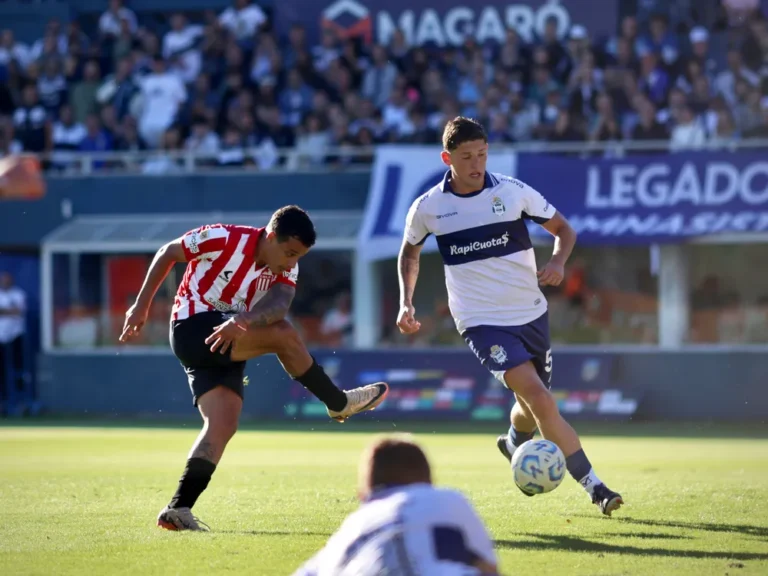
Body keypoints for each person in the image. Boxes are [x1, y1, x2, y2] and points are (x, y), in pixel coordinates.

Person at [396, 117, 623, 516]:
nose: (476, 164)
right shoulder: (428, 207)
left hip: (531, 314)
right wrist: (406, 302)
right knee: (540, 398)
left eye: (482, 154)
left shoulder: (512, 192)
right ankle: (596, 487)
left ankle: (514, 441)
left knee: (531, 402)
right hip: (481, 322)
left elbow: (564, 230)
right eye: (467, 156)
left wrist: (558, 262)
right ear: (448, 159)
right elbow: (409, 253)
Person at [119, 205, 389, 531]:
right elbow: (168, 253)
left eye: (298, 257)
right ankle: (338, 402)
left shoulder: (285, 267)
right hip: (192, 328)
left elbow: (280, 304)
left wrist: (243, 320)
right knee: (284, 336)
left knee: (223, 424)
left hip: (229, 334)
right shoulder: (223, 237)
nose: (291, 263)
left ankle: (178, 509)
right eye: (289, 253)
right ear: (271, 237)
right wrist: (141, 305)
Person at [292, 435, 499, 576]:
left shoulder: (356, 523)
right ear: (429, 481)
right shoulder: (449, 499)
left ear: (363, 494)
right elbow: (488, 569)